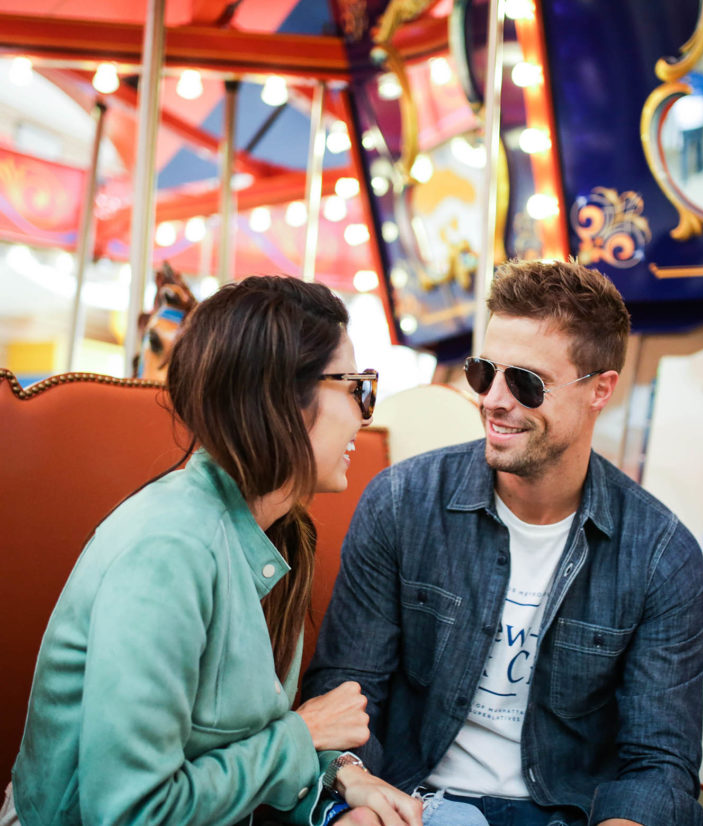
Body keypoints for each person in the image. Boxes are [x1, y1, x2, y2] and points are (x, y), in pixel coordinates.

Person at [303, 260, 703, 826]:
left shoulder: (663, 555)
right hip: (411, 801)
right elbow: (348, 693)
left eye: (525, 381)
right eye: (483, 372)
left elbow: (659, 765)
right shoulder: (401, 501)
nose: (493, 399)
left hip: (566, 814)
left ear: (601, 390)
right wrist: (359, 794)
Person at [5, 276, 422, 826]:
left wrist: (342, 773)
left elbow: (247, 736)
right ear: (282, 402)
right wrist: (303, 737)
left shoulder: (278, 529)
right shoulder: (168, 553)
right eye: (357, 387)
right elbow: (130, 812)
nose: (364, 414)